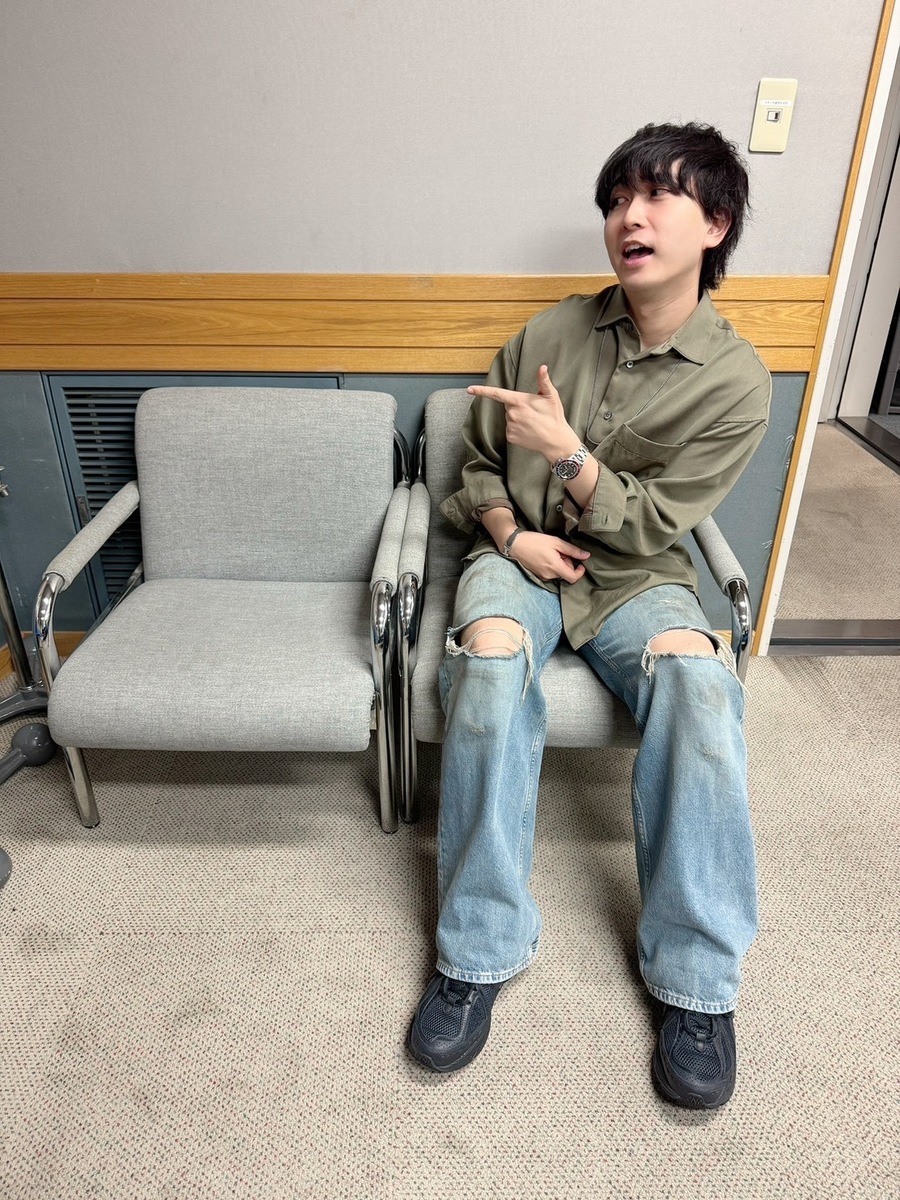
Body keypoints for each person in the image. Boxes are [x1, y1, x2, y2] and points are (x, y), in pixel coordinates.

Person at [407, 121, 771, 1110]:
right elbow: (480, 462)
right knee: (486, 666)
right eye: (616, 200)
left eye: (656, 195)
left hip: (634, 573)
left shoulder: (737, 382)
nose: (629, 217)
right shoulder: (549, 333)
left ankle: (696, 985)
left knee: (701, 688)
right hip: (519, 556)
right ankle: (476, 953)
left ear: (716, 223)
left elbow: (655, 522)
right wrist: (509, 533)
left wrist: (570, 456)